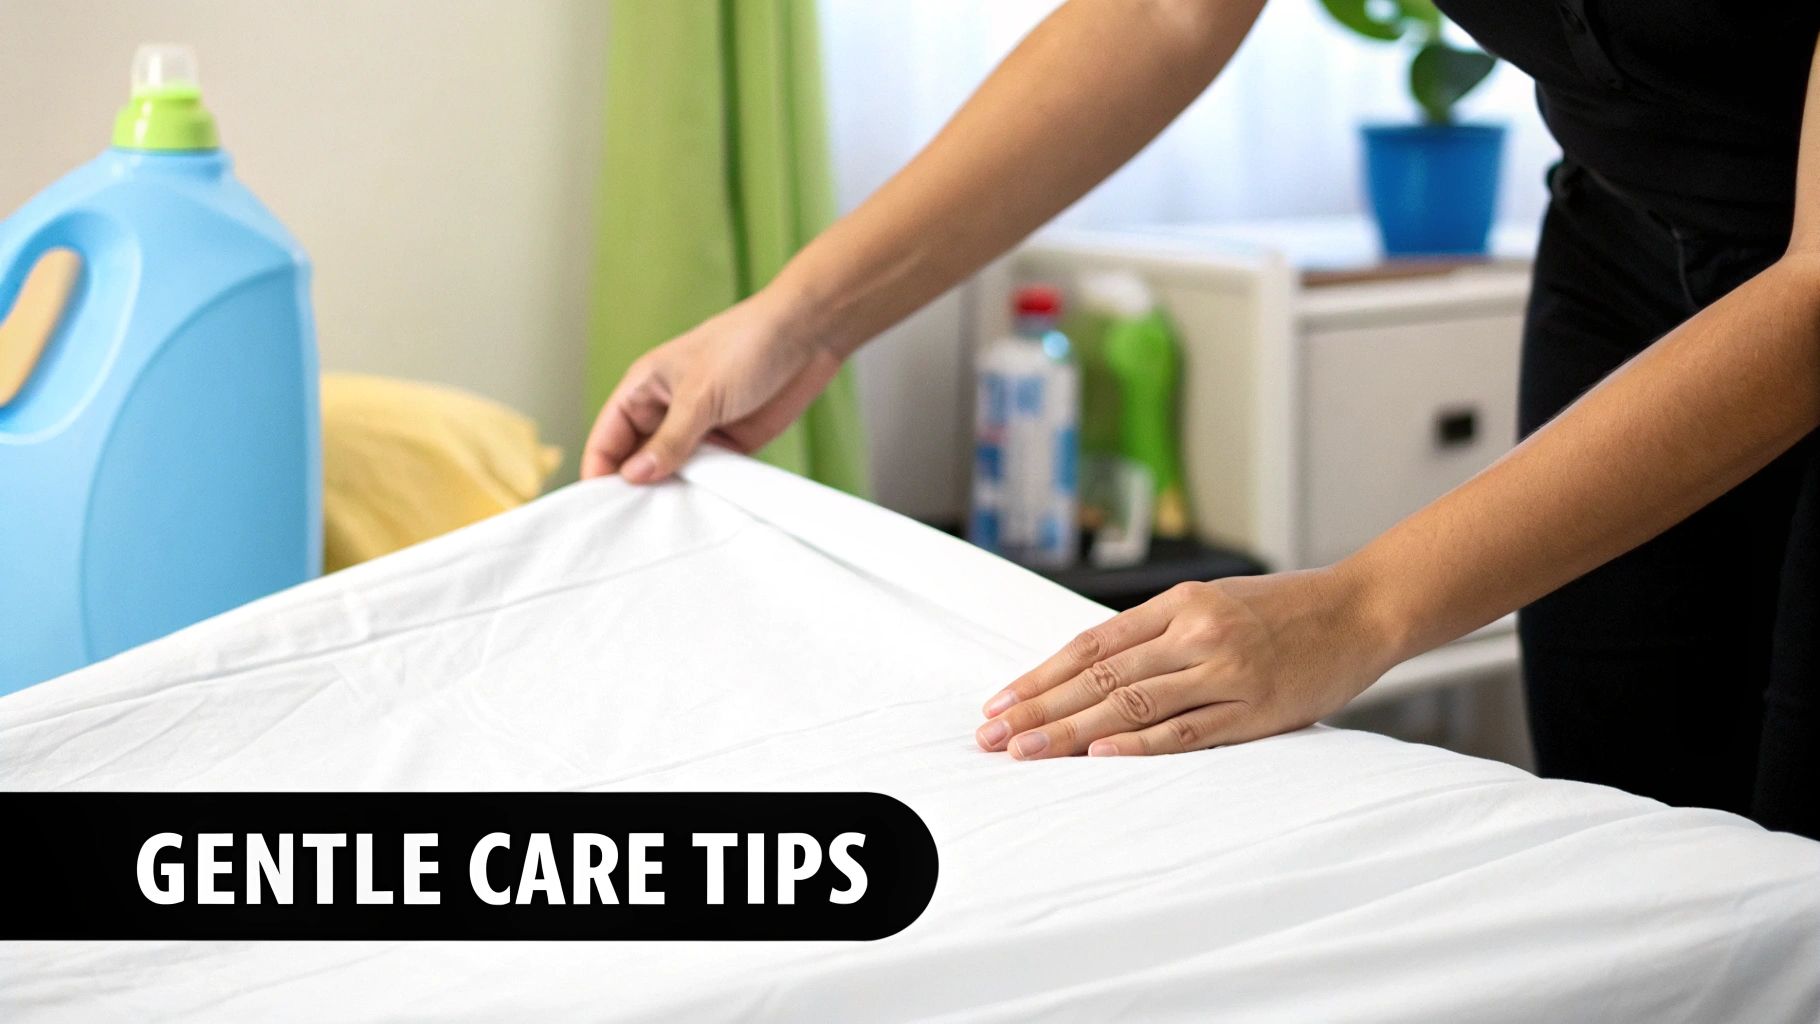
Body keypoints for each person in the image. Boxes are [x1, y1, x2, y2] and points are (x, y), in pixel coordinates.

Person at [583, 0, 1820, 839]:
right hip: (1621, 241)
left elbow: (1814, 290)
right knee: (1639, 821)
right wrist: (801, 316)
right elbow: (1164, 12)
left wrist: (1361, 605)